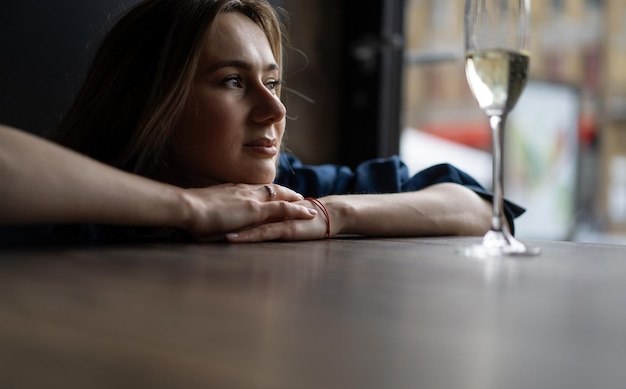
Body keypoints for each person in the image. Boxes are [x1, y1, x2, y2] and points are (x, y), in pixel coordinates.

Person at [0, 0, 523, 245]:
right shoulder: (75, 210)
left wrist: (330, 213)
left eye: (272, 83)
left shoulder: (283, 195)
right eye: (232, 81)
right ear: (153, 101)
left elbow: (474, 204)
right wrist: (188, 209)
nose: (275, 110)